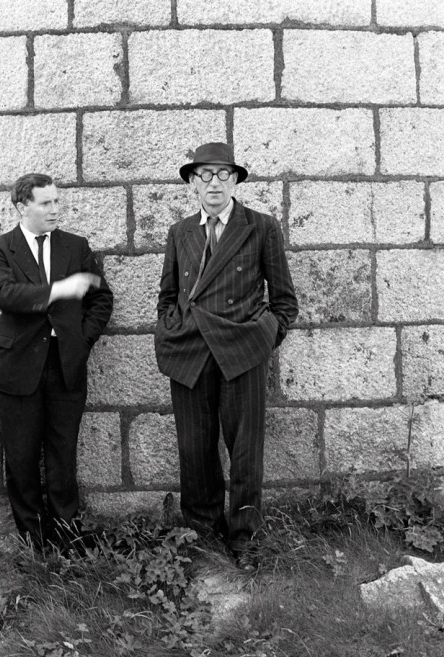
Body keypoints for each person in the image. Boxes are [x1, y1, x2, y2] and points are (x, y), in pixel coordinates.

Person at [154, 143, 298, 571]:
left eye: (222, 174)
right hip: (190, 353)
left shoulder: (260, 227)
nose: (213, 183)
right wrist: (170, 327)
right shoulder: (181, 232)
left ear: (235, 180)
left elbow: (285, 301)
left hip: (241, 353)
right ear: (192, 183)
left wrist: (262, 338)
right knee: (194, 449)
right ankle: (202, 533)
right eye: (204, 175)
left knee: (245, 451)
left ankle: (244, 539)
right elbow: (167, 297)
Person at [0, 173, 113, 551]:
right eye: (45, 203)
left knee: (62, 452)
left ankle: (67, 536)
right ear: (23, 207)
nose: (55, 209)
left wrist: (80, 340)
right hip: (19, 365)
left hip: (65, 363)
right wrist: (60, 290)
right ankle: (32, 541)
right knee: (20, 456)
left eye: (57, 201)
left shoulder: (75, 246)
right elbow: (5, 294)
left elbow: (102, 299)